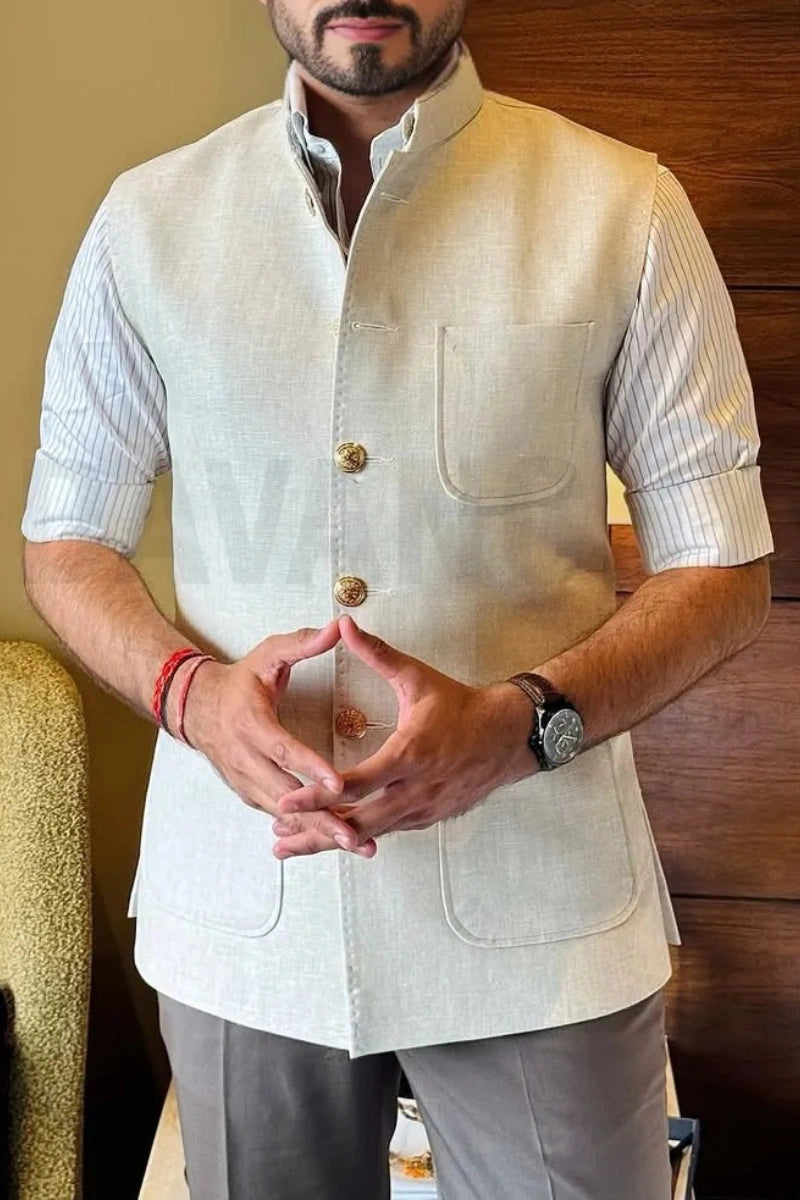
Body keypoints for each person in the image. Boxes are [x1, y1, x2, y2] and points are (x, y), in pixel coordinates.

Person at [21, 1, 773, 1196]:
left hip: (539, 917)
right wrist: (189, 696)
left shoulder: (621, 207)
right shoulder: (148, 220)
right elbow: (66, 540)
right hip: (244, 912)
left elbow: (723, 571)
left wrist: (521, 726)